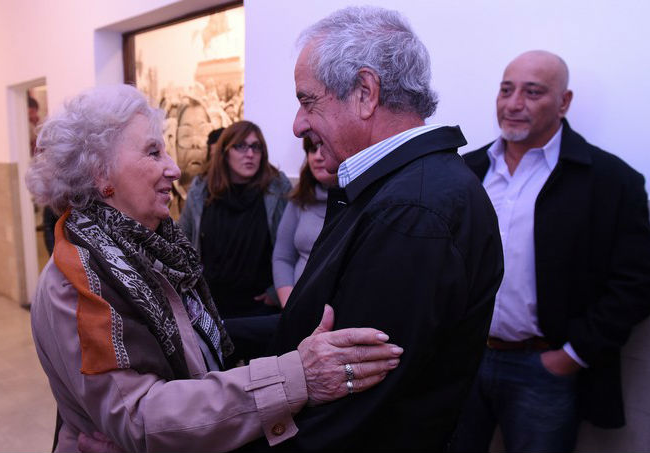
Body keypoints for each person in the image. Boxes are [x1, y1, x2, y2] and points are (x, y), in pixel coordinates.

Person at [25, 84, 404, 453]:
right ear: (100, 174)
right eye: (154, 152)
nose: (173, 169)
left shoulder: (150, 251)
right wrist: (294, 378)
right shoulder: (77, 282)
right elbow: (139, 419)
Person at [250, 7, 505, 452]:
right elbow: (315, 327)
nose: (297, 124)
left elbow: (353, 419)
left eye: (308, 100)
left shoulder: (413, 212)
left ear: (366, 92)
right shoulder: (396, 189)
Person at [451, 50, 650, 453]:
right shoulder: (466, 171)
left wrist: (571, 355)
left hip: (542, 369)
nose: (514, 104)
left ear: (564, 102)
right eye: (506, 90)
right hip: (463, 360)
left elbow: (641, 282)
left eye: (533, 92)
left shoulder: (608, 181)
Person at [180, 121, 292, 319]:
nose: (250, 154)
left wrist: (277, 292)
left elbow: (293, 248)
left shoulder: (277, 188)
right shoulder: (201, 190)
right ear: (225, 151)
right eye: (241, 146)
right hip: (212, 308)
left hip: (260, 310)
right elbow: (183, 242)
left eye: (256, 147)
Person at [272, 137, 337, 306]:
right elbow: (282, 257)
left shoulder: (359, 199)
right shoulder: (300, 197)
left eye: (324, 148)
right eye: (311, 149)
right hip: (296, 307)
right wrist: (289, 305)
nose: (317, 156)